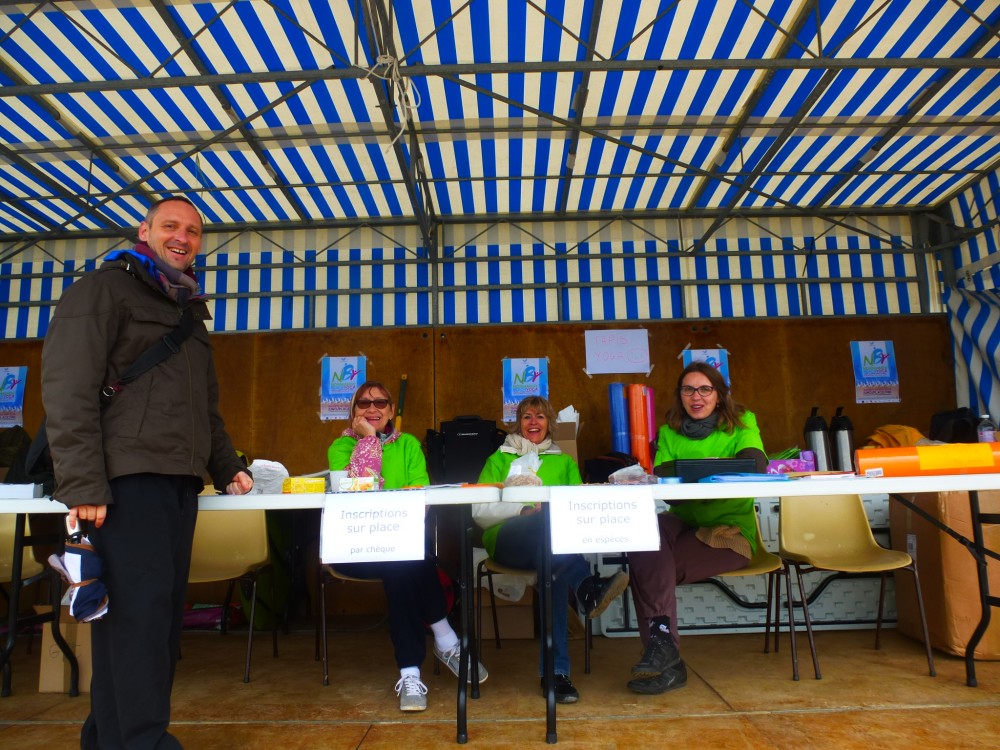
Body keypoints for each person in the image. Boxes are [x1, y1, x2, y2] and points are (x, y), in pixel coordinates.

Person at [41, 196, 254, 749]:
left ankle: (110, 738)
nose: (183, 237)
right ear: (145, 231)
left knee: (148, 622)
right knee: (139, 622)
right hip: (128, 482)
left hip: (179, 484)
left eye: (193, 231)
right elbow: (68, 390)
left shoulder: (189, 312)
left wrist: (227, 466)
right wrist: (83, 483)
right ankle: (143, 741)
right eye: (171, 226)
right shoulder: (103, 290)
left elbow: (206, 409)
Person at [328, 381, 486, 712]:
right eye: (364, 403)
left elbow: (421, 498)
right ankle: (446, 638)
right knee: (406, 559)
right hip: (354, 547)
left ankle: (410, 672)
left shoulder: (409, 444)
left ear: (391, 410)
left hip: (400, 544)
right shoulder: (340, 447)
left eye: (380, 402)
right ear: (353, 411)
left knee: (401, 562)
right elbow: (357, 489)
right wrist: (369, 441)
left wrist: (393, 523)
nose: (372, 408)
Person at [474, 396, 630, 704]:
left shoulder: (564, 462)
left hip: (552, 546)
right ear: (518, 423)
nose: (533, 422)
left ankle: (556, 674)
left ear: (550, 424)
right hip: (507, 539)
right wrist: (521, 510)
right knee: (548, 524)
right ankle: (586, 587)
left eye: (540, 417)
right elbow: (478, 510)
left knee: (553, 567)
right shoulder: (499, 458)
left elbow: (576, 508)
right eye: (527, 416)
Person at [625, 361, 767, 695]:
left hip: (729, 531)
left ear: (719, 395)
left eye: (705, 389)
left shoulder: (741, 422)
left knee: (647, 568)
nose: (696, 397)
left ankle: (665, 657)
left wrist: (691, 474)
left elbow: (755, 465)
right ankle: (665, 652)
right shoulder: (670, 432)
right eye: (688, 389)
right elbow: (665, 482)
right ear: (680, 395)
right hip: (684, 521)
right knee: (646, 531)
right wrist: (713, 475)